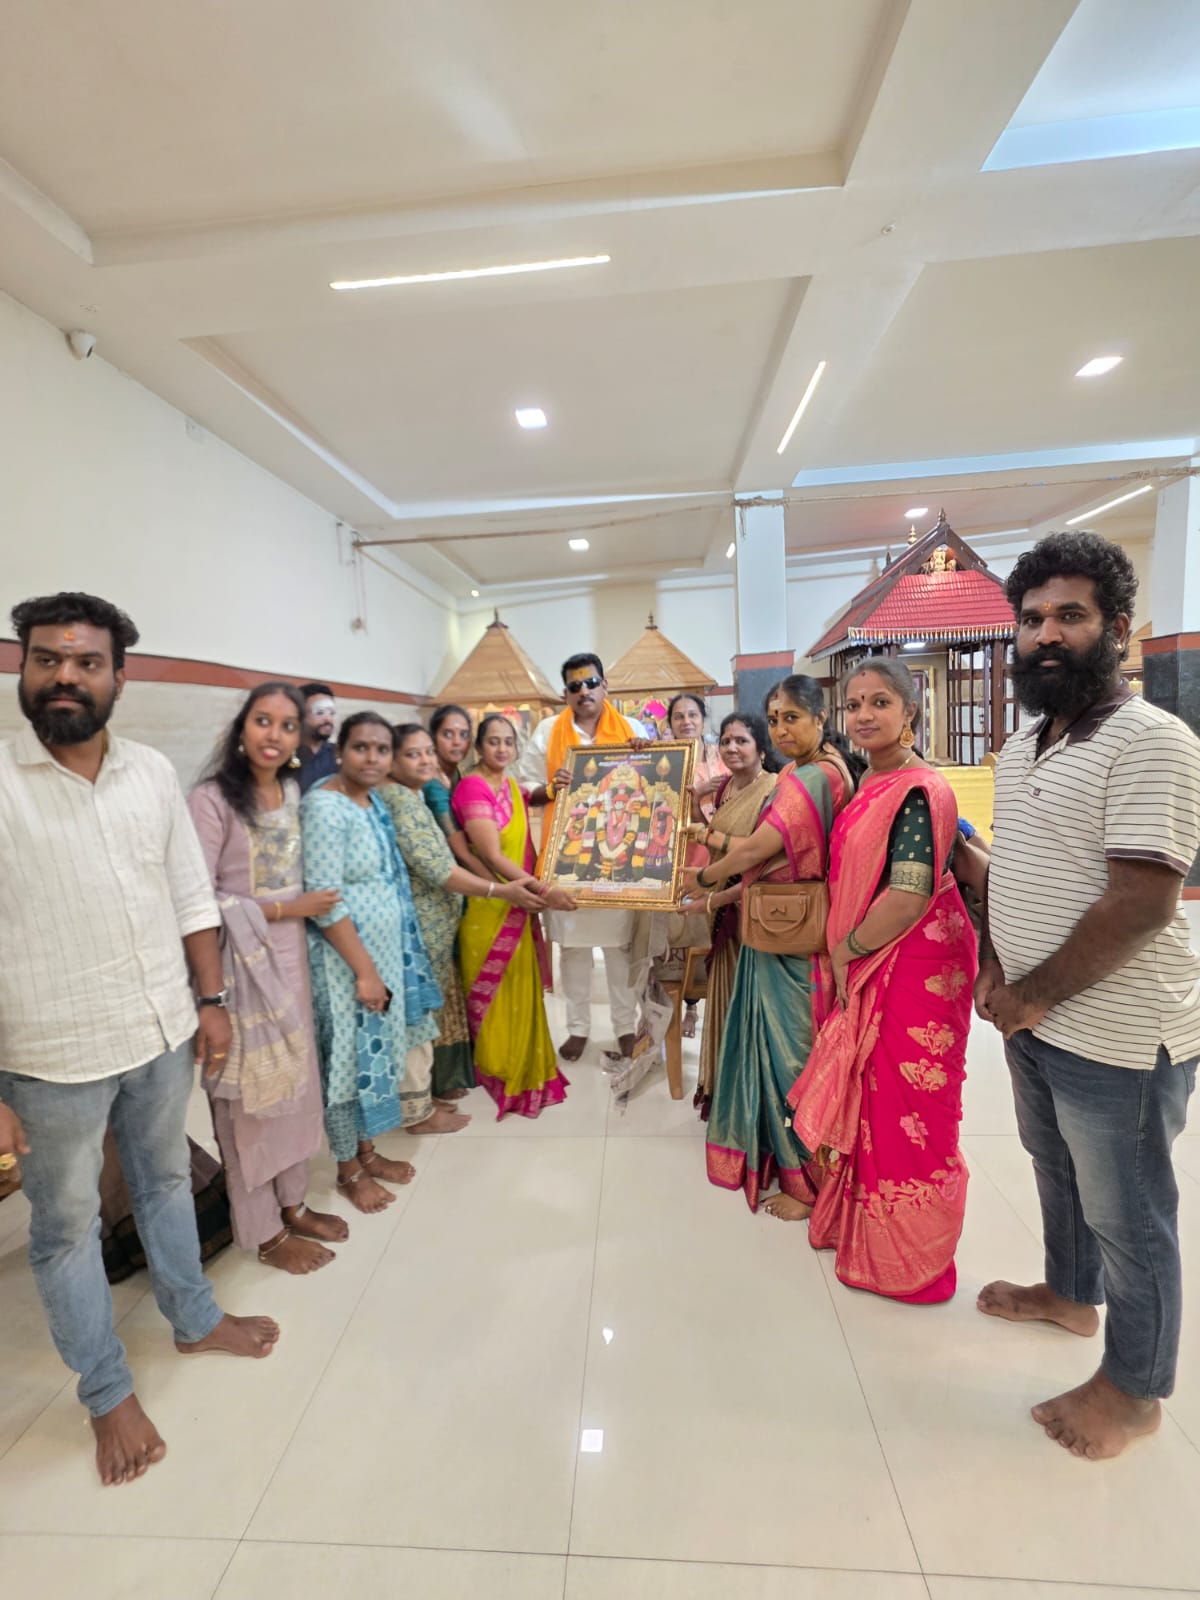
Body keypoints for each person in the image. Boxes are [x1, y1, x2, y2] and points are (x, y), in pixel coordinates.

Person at [0, 592, 278, 1488]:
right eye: (47, 659)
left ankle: (194, 1320)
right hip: (47, 1054)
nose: (66, 676)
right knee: (66, 1229)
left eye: (87, 662)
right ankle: (107, 1392)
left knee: (164, 1183)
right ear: (23, 669)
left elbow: (190, 896)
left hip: (159, 1027)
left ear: (119, 678)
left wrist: (212, 999)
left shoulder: (152, 773)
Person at [975, 531, 1200, 1459]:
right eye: (1031, 619)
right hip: (1034, 1014)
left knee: (1129, 1213)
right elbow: (1014, 868)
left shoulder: (1152, 741)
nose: (1046, 635)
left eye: (1070, 615)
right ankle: (1070, 1295)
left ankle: (1135, 1391)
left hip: (1119, 1029)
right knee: (1054, 1167)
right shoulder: (1023, 744)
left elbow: (1142, 901)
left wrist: (1033, 993)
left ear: (1117, 627)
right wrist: (997, 969)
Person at [787, 659, 975, 1303]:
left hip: (912, 962)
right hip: (881, 953)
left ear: (910, 712)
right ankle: (862, 1225)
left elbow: (909, 894)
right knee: (870, 1093)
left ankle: (911, 1256)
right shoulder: (872, 778)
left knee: (908, 1104)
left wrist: (847, 950)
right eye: (854, 704)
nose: (864, 715)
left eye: (880, 702)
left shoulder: (917, 789)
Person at [188, 683, 349, 1273]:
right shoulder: (210, 800)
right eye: (263, 721)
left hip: (291, 965)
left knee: (293, 1089)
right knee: (248, 1104)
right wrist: (287, 908)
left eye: (287, 725)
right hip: (236, 967)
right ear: (241, 729)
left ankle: (293, 1203)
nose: (274, 735)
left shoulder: (292, 792)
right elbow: (197, 900)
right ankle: (263, 1231)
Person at [683, 677, 855, 1213]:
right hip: (774, 924)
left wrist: (705, 875)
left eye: (792, 718)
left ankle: (809, 1184)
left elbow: (759, 847)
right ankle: (786, 1159)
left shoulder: (815, 776)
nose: (781, 729)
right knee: (780, 1049)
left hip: (792, 934)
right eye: (775, 719)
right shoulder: (807, 771)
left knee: (792, 1056)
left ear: (821, 718)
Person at [301, 713, 454, 1217]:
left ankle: (367, 1152)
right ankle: (348, 1169)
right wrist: (365, 971)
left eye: (381, 749)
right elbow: (324, 899)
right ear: (340, 752)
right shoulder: (325, 807)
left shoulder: (370, 803)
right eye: (361, 747)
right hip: (344, 963)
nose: (372, 758)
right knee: (346, 1066)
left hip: (382, 958)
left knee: (374, 1059)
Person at [379, 723, 549, 1101]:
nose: (502, 748)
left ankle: (446, 1085)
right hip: (476, 903)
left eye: (509, 742)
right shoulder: (451, 790)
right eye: (414, 753)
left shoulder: (498, 785)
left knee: (449, 998)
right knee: (433, 1005)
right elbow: (459, 860)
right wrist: (513, 891)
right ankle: (486, 1066)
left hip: (493, 896)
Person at [518, 653, 646, 1061]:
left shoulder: (633, 729)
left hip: (619, 860)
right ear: (565, 694)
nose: (584, 691)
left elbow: (654, 783)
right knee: (573, 950)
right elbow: (525, 787)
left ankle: (625, 1027)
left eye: (591, 683)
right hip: (567, 859)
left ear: (605, 686)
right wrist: (550, 788)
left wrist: (644, 755)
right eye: (575, 686)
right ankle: (577, 1028)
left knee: (619, 949)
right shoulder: (548, 732)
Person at [455, 715, 575, 1116]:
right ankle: (498, 1067)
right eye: (493, 741)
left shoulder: (509, 785)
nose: (502, 749)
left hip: (517, 899)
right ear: (478, 747)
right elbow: (491, 855)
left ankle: (521, 1061)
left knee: (521, 986)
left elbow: (531, 797)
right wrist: (544, 890)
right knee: (495, 990)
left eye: (508, 742)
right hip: (490, 904)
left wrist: (553, 788)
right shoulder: (473, 787)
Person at [690, 712, 778, 1119]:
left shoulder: (774, 790)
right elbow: (710, 845)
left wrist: (714, 897)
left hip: (752, 913)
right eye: (725, 741)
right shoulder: (725, 788)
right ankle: (725, 1090)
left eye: (741, 740)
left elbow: (763, 856)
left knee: (753, 1007)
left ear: (761, 747)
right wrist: (696, 805)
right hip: (722, 911)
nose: (731, 748)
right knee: (724, 1001)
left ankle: (753, 1101)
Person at [665, 693, 728, 1039]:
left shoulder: (720, 757)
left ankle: (702, 1004)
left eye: (692, 715)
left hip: (713, 854)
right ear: (670, 724)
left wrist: (703, 794)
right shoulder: (665, 760)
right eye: (678, 716)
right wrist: (698, 792)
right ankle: (678, 1005)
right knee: (677, 933)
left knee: (707, 931)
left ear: (703, 720)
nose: (686, 721)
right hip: (674, 855)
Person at [423, 703, 475, 867]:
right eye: (447, 734)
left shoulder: (457, 773)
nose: (457, 742)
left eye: (463, 735)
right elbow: (462, 854)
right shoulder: (432, 782)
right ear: (433, 738)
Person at [296, 682, 338, 794]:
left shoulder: (339, 754)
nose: (328, 719)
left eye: (331, 713)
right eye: (320, 712)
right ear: (300, 715)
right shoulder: (287, 754)